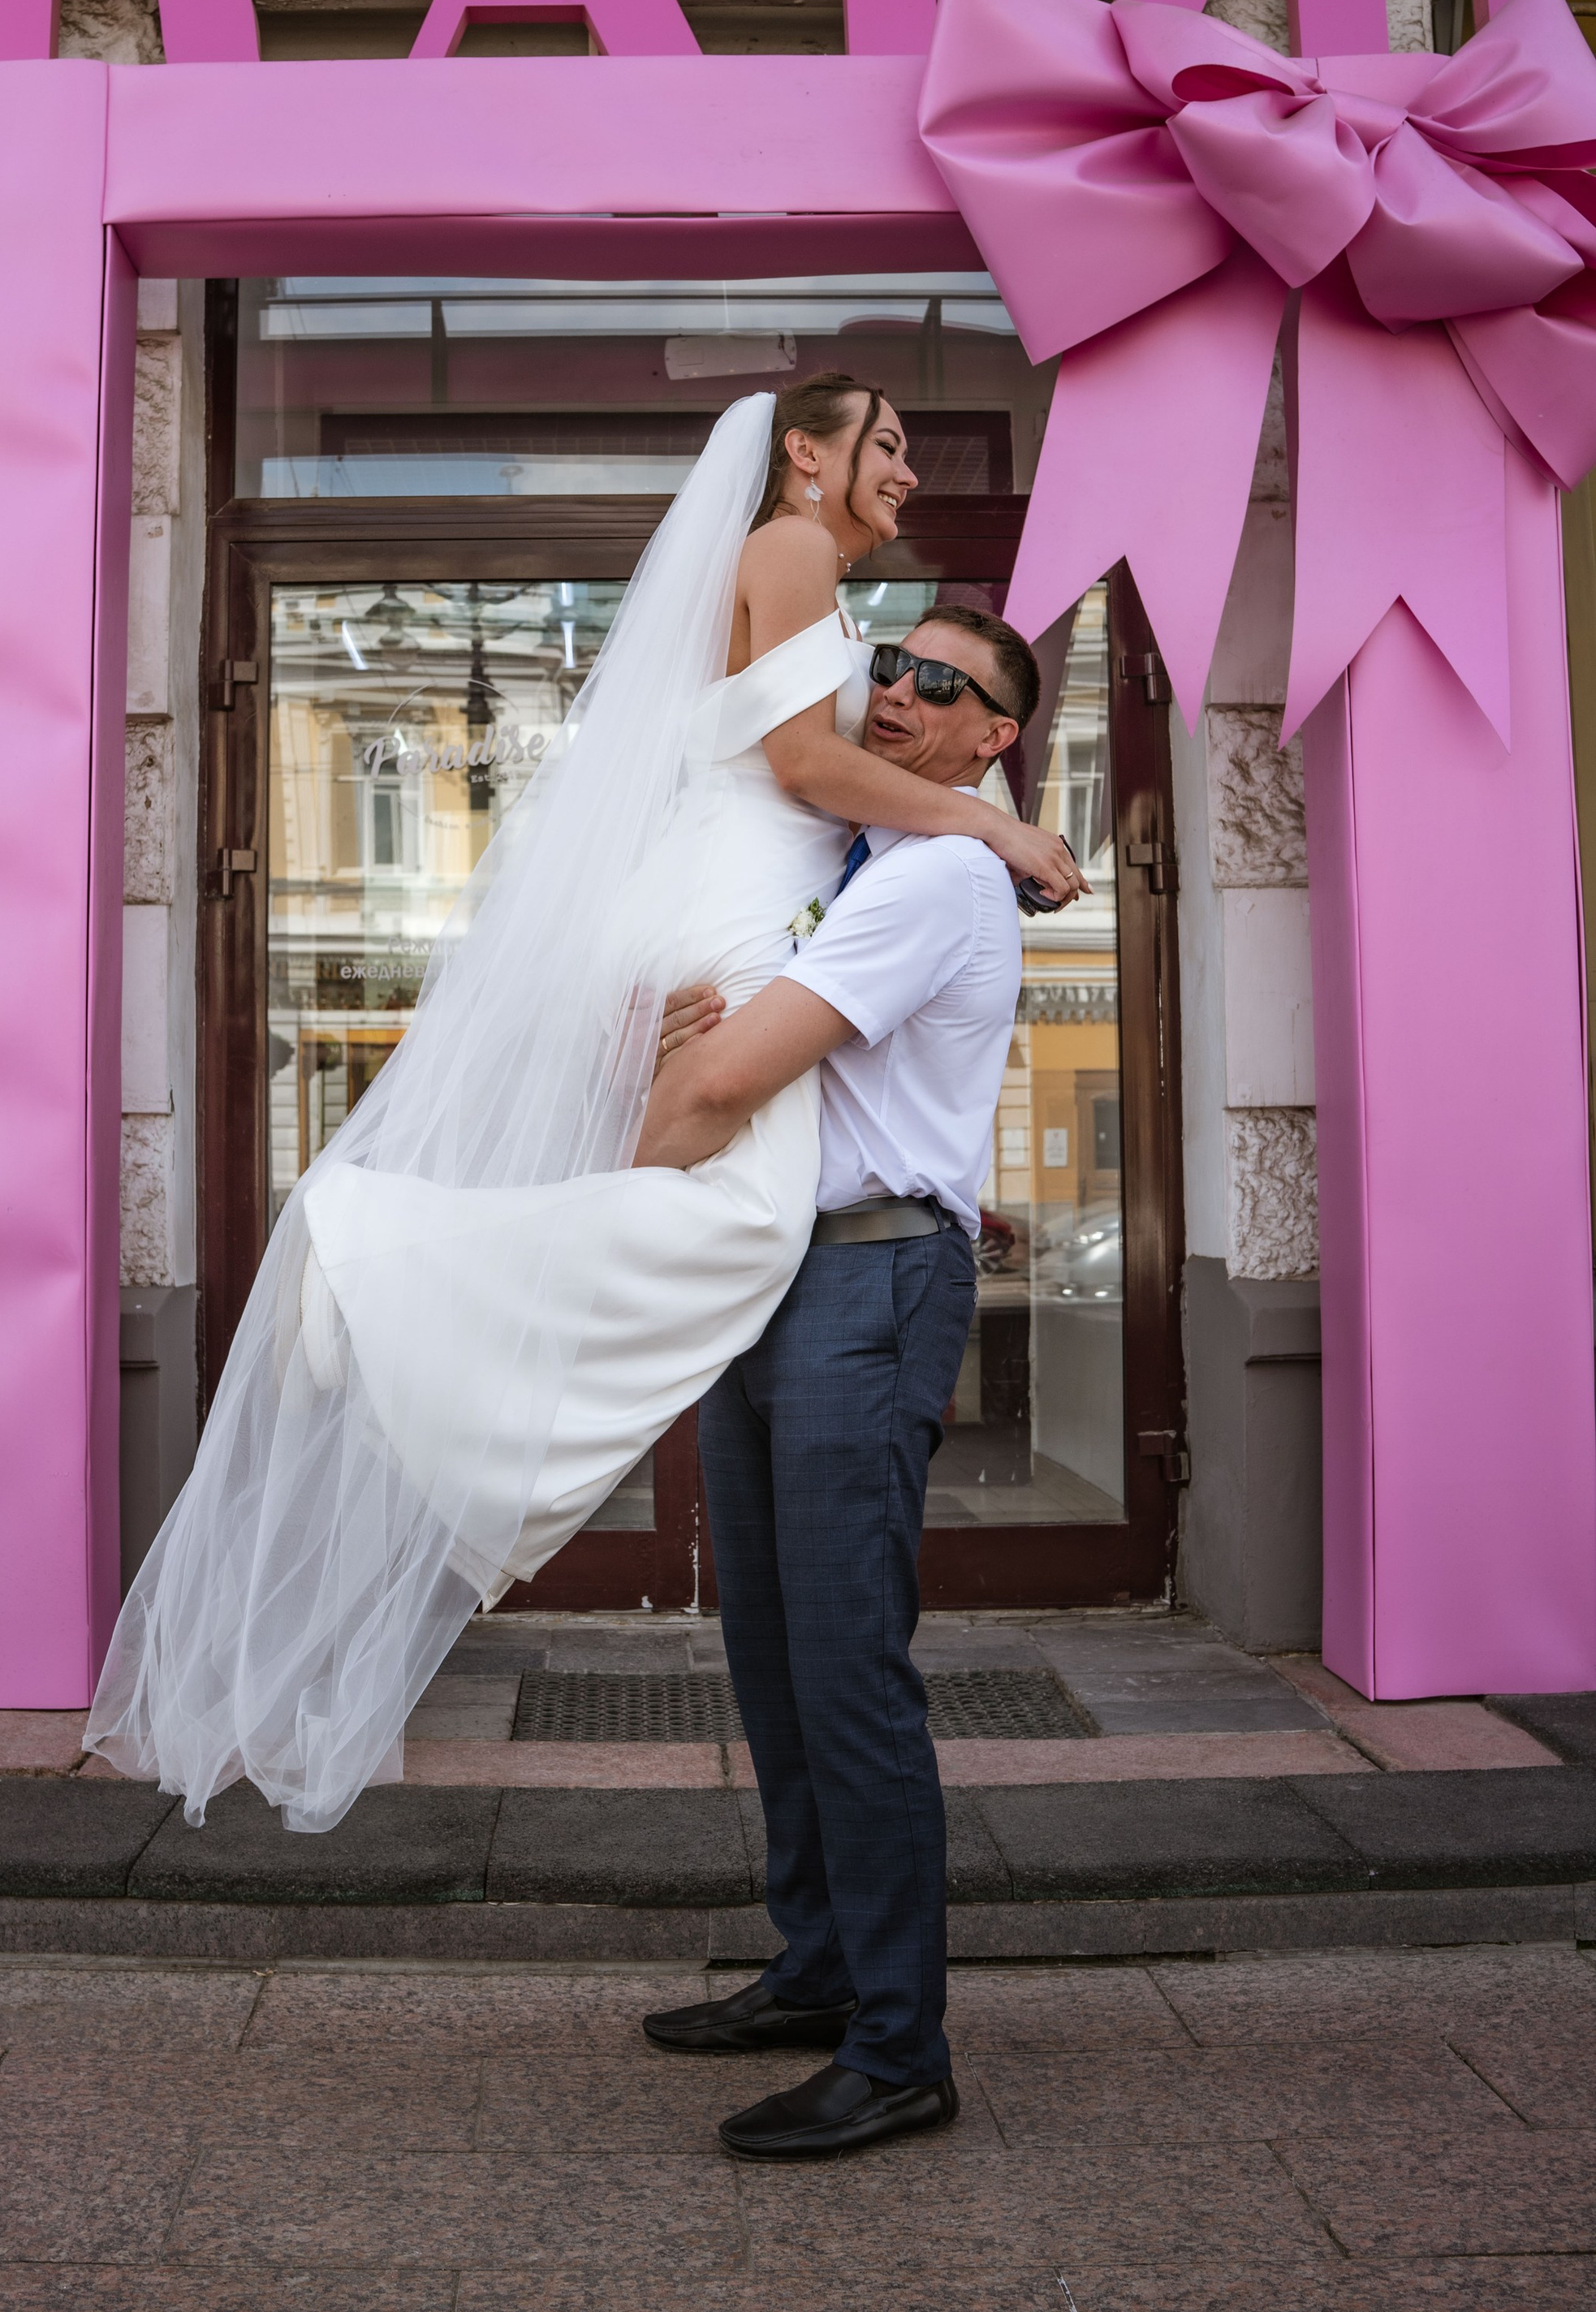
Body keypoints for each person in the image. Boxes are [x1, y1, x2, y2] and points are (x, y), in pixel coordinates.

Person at [86, 382, 1080, 1832]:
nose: (907, 472)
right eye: (883, 444)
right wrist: (998, 821)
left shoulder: (903, 837)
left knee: (723, 1222)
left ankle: (416, 1286)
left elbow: (804, 784)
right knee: (737, 1223)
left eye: (940, 689)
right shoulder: (799, 551)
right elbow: (803, 762)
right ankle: (397, 1271)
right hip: (741, 909)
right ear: (805, 455)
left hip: (766, 1001)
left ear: (994, 731)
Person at [634, 609, 1036, 2160]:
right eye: (887, 664)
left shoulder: (938, 874)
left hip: (866, 1281)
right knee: (775, 1651)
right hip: (779, 1272)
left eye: (942, 682)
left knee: (849, 1663)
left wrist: (637, 1125)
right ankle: (818, 1966)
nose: (898, 691)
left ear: (995, 736)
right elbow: (745, 1054)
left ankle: (899, 2046)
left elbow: (735, 1078)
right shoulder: (863, 863)